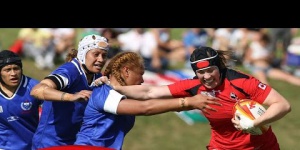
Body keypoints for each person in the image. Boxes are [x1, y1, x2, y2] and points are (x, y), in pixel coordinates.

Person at [112, 46, 291, 150]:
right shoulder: (194, 86)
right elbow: (149, 92)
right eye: (200, 72)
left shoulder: (241, 82)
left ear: (219, 67)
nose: (206, 77)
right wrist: (113, 88)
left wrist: (255, 122)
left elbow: (282, 104)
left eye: (210, 70)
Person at [74, 51, 221, 150]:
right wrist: (187, 102)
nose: (143, 80)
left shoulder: (125, 94)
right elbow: (146, 108)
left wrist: (193, 101)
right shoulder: (103, 92)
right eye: (141, 74)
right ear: (126, 71)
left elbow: (156, 96)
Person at [30, 34, 110, 149]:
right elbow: (37, 90)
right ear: (83, 54)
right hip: (50, 143)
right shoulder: (69, 71)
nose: (101, 59)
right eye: (96, 54)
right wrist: (71, 97)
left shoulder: (97, 76)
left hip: (76, 142)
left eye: (104, 55)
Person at [0, 50, 42, 149]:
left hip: (32, 145)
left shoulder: (34, 87)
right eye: (8, 70)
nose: (13, 73)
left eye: (16, 68)